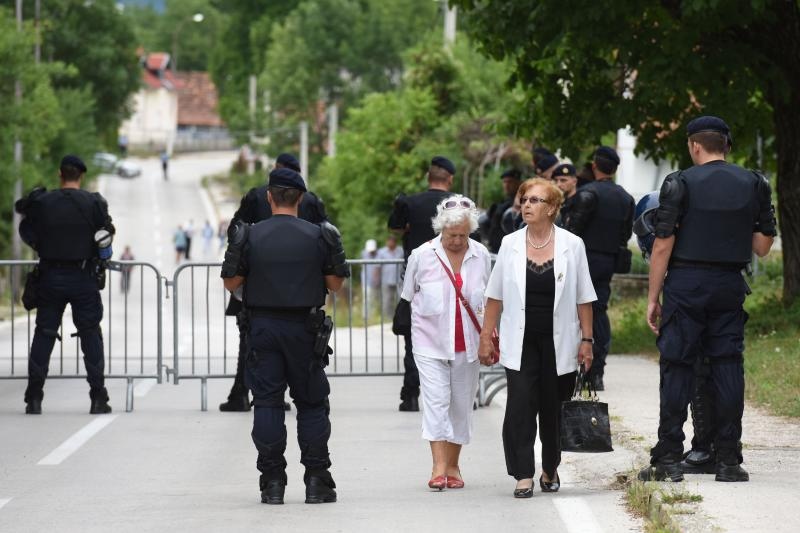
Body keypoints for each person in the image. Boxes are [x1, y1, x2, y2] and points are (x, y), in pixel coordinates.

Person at [637, 116, 776, 483]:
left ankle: (668, 457)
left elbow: (663, 245)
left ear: (694, 145)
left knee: (677, 367)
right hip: (729, 284)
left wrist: (654, 297)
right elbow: (762, 246)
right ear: (726, 145)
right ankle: (729, 459)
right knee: (728, 365)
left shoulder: (678, 183)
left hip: (686, 283)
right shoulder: (754, 183)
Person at [221, 167, 349, 504]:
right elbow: (336, 285)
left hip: (262, 327)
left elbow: (231, 282)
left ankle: (272, 480)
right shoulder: (320, 235)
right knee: (311, 404)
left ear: (268, 197)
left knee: (267, 403)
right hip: (305, 330)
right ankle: (317, 480)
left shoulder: (248, 235)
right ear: (302, 198)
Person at [478, 177, 596, 498]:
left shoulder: (573, 245)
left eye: (535, 201)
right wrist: (486, 336)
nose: (527, 206)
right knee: (519, 405)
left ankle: (550, 467)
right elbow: (494, 296)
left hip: (560, 342)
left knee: (553, 407)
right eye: (524, 200)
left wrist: (587, 341)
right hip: (521, 340)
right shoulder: (509, 244)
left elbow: (584, 297)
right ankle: (523, 473)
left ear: (553, 208)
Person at [219, 152, 328, 412]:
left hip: (259, 285)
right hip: (302, 289)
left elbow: (235, 232)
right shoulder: (311, 200)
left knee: (252, 343)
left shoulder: (256, 196)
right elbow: (327, 238)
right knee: (303, 354)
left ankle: (246, 393)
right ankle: (289, 396)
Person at [400, 195, 491, 490]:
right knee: (437, 402)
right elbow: (408, 296)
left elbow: (489, 300)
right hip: (429, 342)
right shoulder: (421, 255)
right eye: (452, 235)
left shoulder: (481, 255)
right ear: (441, 229)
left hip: (470, 343)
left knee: (462, 406)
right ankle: (438, 466)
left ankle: (454, 466)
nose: (457, 240)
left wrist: (489, 338)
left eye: (463, 235)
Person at [15, 155, 116, 415]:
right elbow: (106, 235)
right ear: (80, 176)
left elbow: (24, 225)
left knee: (44, 334)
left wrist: (42, 246)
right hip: (83, 278)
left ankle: (34, 397)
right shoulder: (93, 202)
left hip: (50, 275)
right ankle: (97, 397)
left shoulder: (43, 202)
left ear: (60, 174)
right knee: (91, 334)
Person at [388, 156, 456, 412]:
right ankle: (454, 394)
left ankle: (411, 394)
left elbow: (394, 227)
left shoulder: (410, 202)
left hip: (417, 278)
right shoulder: (456, 202)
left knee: (414, 336)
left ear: (429, 178)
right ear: (448, 178)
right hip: (451, 276)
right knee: (452, 333)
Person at [562, 146, 634, 390]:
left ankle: (579, 369)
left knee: (580, 311)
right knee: (599, 311)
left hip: (585, 260)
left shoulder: (587, 194)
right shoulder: (626, 198)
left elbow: (573, 233)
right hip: (608, 261)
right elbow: (625, 234)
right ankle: (597, 371)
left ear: (594, 166)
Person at [487, 169, 523, 253]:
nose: (506, 185)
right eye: (504, 182)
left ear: (519, 183)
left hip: (510, 251)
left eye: (510, 182)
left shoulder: (523, 203)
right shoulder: (502, 203)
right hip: (496, 249)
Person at [376, 235, 404, 317]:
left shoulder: (401, 251)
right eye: (389, 241)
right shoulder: (381, 252)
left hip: (399, 280)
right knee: (387, 300)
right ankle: (388, 317)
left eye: (392, 241)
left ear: (395, 242)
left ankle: (401, 316)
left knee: (401, 299)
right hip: (386, 280)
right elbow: (377, 266)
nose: (390, 243)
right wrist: (376, 278)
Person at [360, 239, 381, 321]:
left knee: (375, 299)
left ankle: (373, 316)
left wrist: (376, 281)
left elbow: (377, 269)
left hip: (375, 282)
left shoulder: (379, 254)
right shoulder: (364, 253)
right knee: (366, 299)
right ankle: (365, 316)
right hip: (366, 281)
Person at [553, 163, 578, 228]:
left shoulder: (580, 201)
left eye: (563, 180)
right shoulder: (556, 201)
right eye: (556, 180)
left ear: (574, 181)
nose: (558, 184)